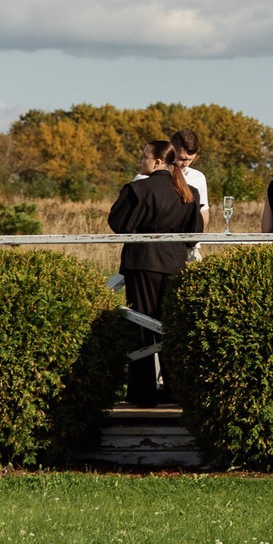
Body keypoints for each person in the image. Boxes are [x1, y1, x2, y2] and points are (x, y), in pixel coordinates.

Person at [107, 139, 202, 404]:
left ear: (158, 161)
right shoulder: (189, 192)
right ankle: (174, 389)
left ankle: (142, 393)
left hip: (142, 263)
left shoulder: (138, 189)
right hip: (174, 263)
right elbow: (193, 237)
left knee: (141, 325)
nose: (141, 161)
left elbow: (118, 224)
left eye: (144, 157)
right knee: (171, 326)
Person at [166, 128, 211, 260]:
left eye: (190, 159)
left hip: (190, 248)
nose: (185, 163)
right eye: (181, 158)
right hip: (161, 247)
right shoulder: (154, 176)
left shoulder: (198, 177)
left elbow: (204, 213)